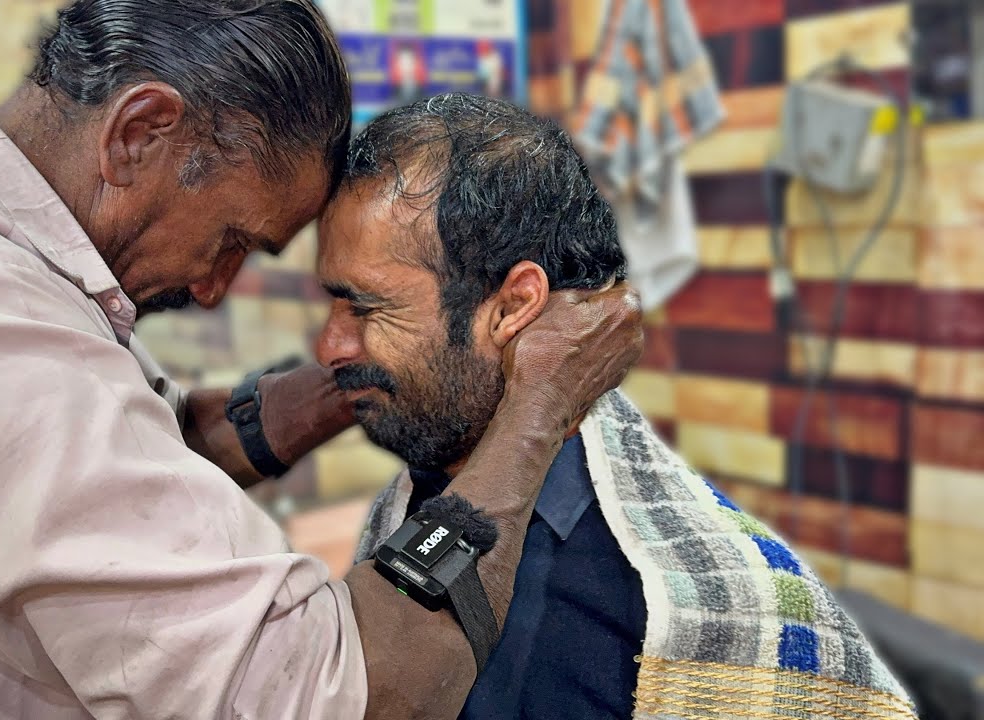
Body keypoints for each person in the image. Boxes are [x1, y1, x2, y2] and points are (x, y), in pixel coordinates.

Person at [0, 2, 645, 718]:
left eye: (366, 305)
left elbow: (133, 450)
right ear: (140, 131)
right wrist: (534, 409)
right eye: (233, 239)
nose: (212, 288)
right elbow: (335, 695)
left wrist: (358, 381)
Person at [316, 94, 919, 720]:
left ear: (514, 305)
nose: (329, 346)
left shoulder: (715, 605)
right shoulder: (409, 507)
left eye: (365, 308)